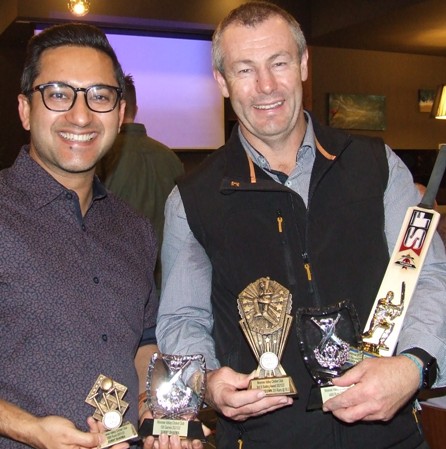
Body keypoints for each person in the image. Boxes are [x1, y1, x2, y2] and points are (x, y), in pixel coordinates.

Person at [156, 2, 446, 449]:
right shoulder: (191, 199)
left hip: (391, 437)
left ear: (304, 64)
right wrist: (206, 381)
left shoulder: (377, 166)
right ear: (222, 81)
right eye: (245, 70)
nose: (266, 86)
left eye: (279, 63)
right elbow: (183, 319)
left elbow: (427, 275)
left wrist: (413, 365)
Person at [0, 23, 201, 449]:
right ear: (24, 109)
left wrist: (156, 407)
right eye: (58, 93)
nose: (81, 114)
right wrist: (27, 428)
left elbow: (143, 341)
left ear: (121, 112)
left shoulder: (134, 229)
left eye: (100, 96)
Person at [96, 74, 184, 289]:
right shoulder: (170, 157)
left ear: (118, 108)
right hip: (168, 283)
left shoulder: (101, 157)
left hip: (119, 284)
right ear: (136, 109)